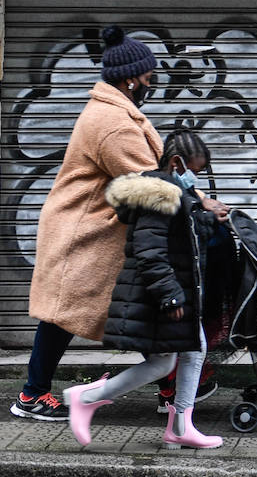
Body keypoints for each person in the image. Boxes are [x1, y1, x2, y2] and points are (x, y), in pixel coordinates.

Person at [11, 25, 228, 421]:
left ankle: (169, 383)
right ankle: (31, 396)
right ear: (130, 80)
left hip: (97, 229)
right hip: (83, 231)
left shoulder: (118, 113)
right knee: (65, 314)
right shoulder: (112, 124)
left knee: (130, 304)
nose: (151, 83)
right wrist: (201, 202)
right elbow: (152, 180)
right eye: (147, 77)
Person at [64, 130, 230, 450]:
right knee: (173, 359)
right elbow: (149, 250)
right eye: (195, 170)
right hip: (157, 295)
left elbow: (184, 234)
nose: (196, 178)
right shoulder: (160, 195)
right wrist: (169, 295)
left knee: (180, 356)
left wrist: (211, 218)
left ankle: (180, 426)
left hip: (164, 292)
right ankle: (88, 398)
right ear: (177, 163)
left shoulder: (171, 193)